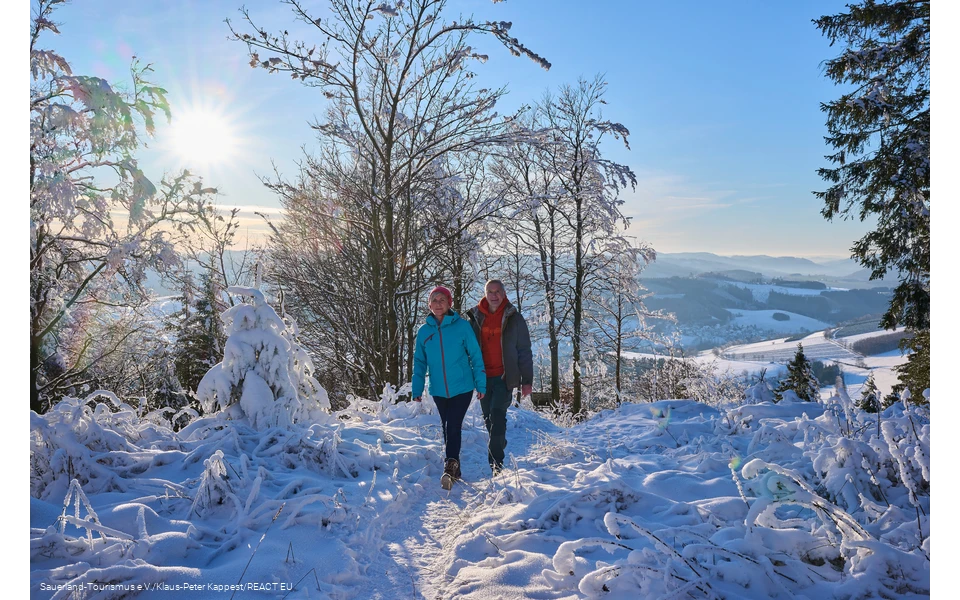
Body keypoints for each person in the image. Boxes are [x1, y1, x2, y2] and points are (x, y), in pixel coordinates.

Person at [412, 286, 486, 489]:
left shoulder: (462, 327)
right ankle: (455, 467)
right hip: (438, 389)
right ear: (429, 304)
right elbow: (419, 361)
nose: (438, 303)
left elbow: (475, 355)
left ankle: (449, 466)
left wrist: (481, 383)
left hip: (462, 387)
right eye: (434, 300)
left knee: (452, 425)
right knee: (447, 427)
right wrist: (417, 388)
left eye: (442, 299)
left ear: (449, 303)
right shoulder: (424, 331)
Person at [466, 279, 533, 474]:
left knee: (497, 415)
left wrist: (526, 381)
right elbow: (467, 349)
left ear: (504, 294)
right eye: (490, 292)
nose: (494, 295)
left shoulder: (514, 318)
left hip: (504, 378)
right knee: (489, 420)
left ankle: (496, 464)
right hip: (482, 378)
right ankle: (499, 440)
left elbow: (524, 350)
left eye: (498, 292)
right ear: (485, 294)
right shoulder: (476, 318)